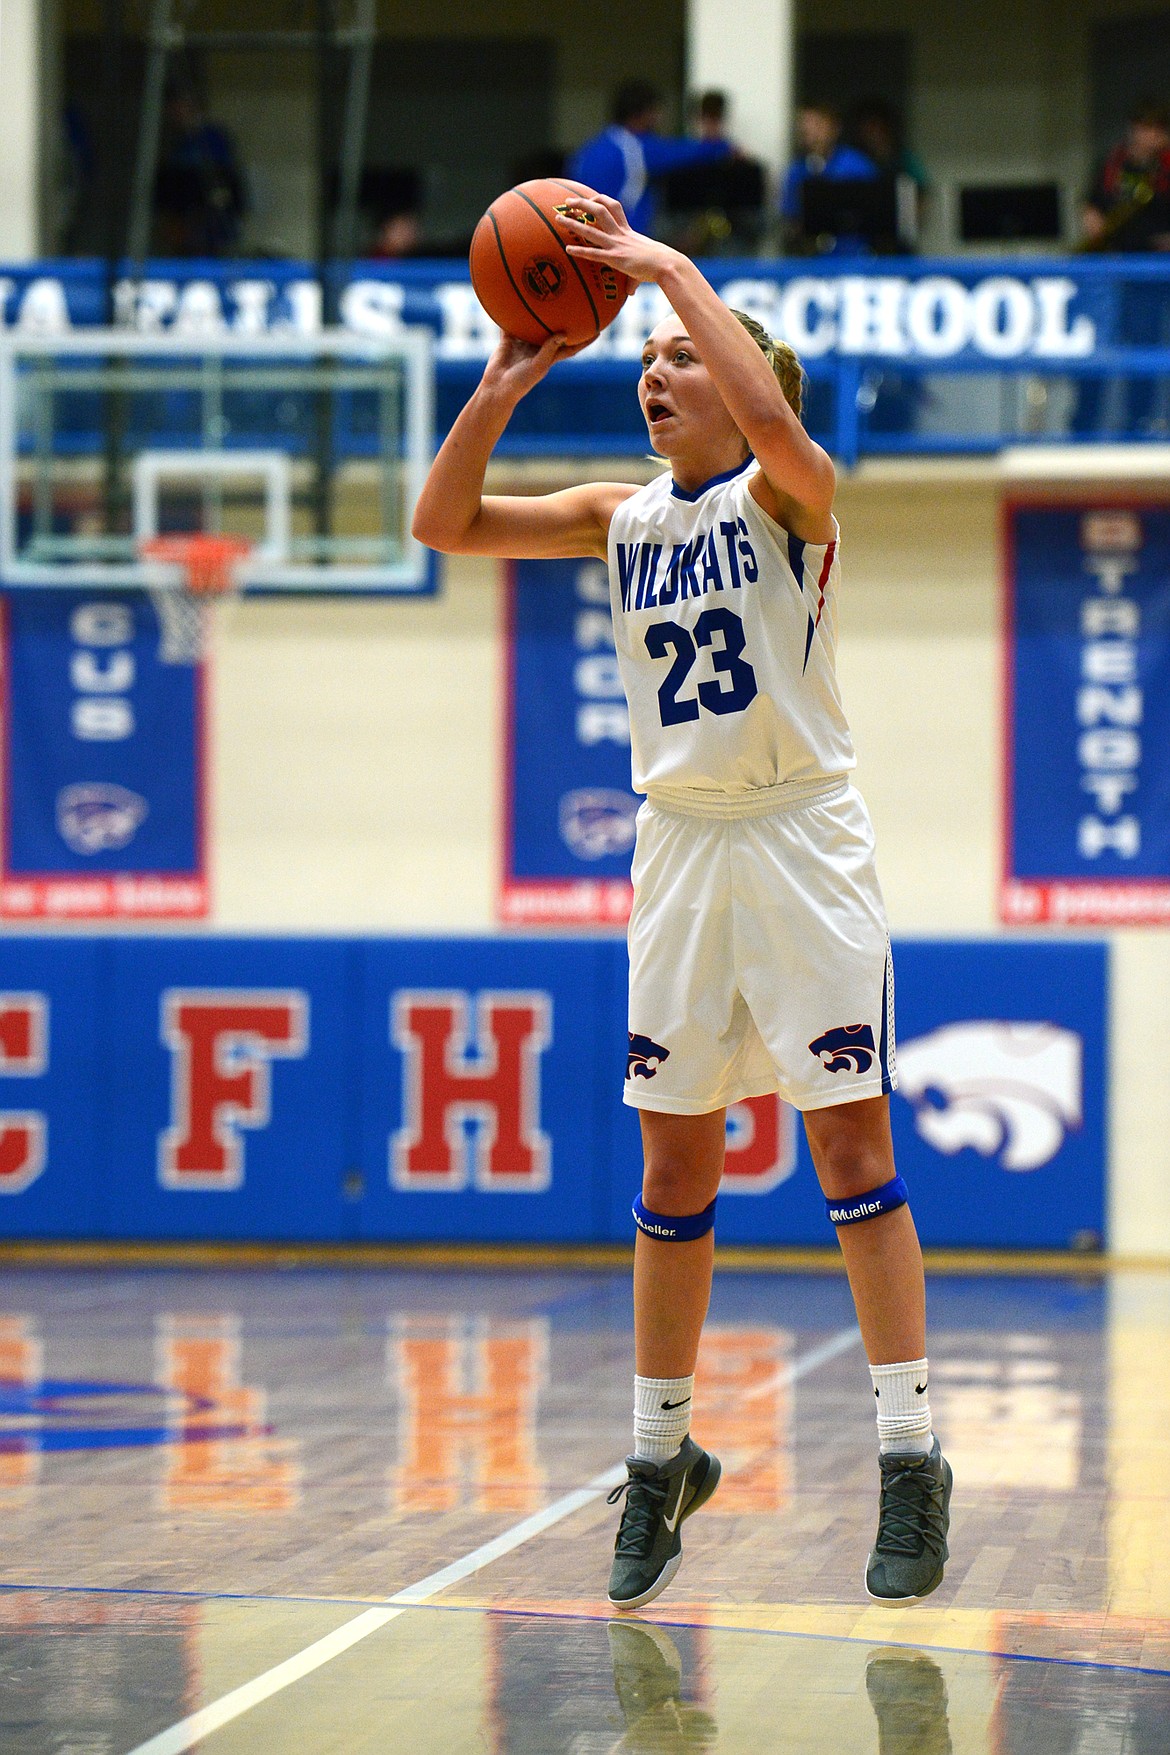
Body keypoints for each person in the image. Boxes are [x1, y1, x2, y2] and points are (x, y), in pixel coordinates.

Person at [411, 195, 953, 1612]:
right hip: (681, 850)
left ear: (745, 380)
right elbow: (443, 519)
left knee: (848, 1143)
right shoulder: (618, 515)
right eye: (643, 355)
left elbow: (784, 432)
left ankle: (908, 1451)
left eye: (680, 355)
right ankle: (657, 1457)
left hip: (798, 838)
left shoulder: (791, 498)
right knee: (670, 1172)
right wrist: (499, 381)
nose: (653, 369)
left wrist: (668, 267)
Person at [1075, 99, 1170, 435]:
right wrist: (1097, 232)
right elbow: (1091, 206)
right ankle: (1083, 428)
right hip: (1107, 272)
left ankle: (1138, 427)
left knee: (1143, 351)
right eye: (1142, 127)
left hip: (1150, 275)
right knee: (1095, 351)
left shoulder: (1167, 168)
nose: (1147, 135)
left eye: (1155, 129)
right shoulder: (1111, 164)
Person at [569, 80, 732, 237]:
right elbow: (692, 152)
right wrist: (722, 146)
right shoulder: (635, 148)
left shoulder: (589, 148)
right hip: (624, 237)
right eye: (656, 112)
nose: (659, 118)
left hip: (587, 236)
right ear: (643, 113)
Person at [780, 101, 877, 253]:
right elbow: (791, 218)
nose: (810, 132)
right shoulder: (796, 170)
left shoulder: (858, 165)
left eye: (817, 125)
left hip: (854, 258)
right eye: (805, 127)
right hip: (811, 261)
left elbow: (875, 216)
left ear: (835, 128)